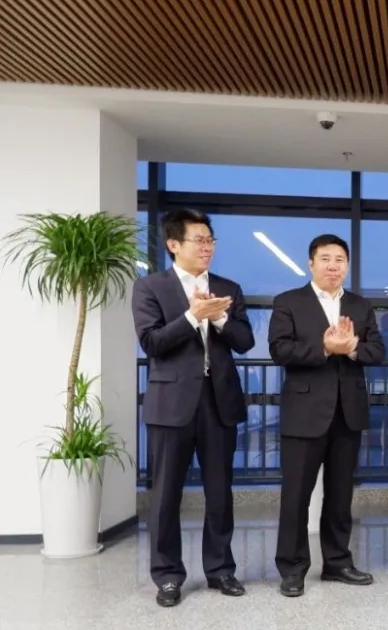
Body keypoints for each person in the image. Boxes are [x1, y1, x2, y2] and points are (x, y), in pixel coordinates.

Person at [132, 209, 254, 608]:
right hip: (171, 405)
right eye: (199, 240)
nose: (207, 247)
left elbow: (245, 341)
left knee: (220, 492)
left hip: (219, 402)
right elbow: (152, 343)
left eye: (210, 240)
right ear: (173, 244)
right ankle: (168, 576)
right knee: (166, 495)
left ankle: (220, 569)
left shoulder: (227, 288)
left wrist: (219, 319)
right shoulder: (150, 287)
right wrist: (191, 317)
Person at [269, 234, 385, 597]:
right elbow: (279, 349)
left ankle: (337, 563)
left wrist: (351, 348)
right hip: (303, 413)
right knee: (296, 496)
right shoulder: (289, 301)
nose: (333, 266)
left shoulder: (360, 306)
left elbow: (378, 351)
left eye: (339, 260)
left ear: (347, 266)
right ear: (311, 263)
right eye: (325, 259)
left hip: (347, 413)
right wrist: (323, 347)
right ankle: (292, 569)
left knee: (340, 496)